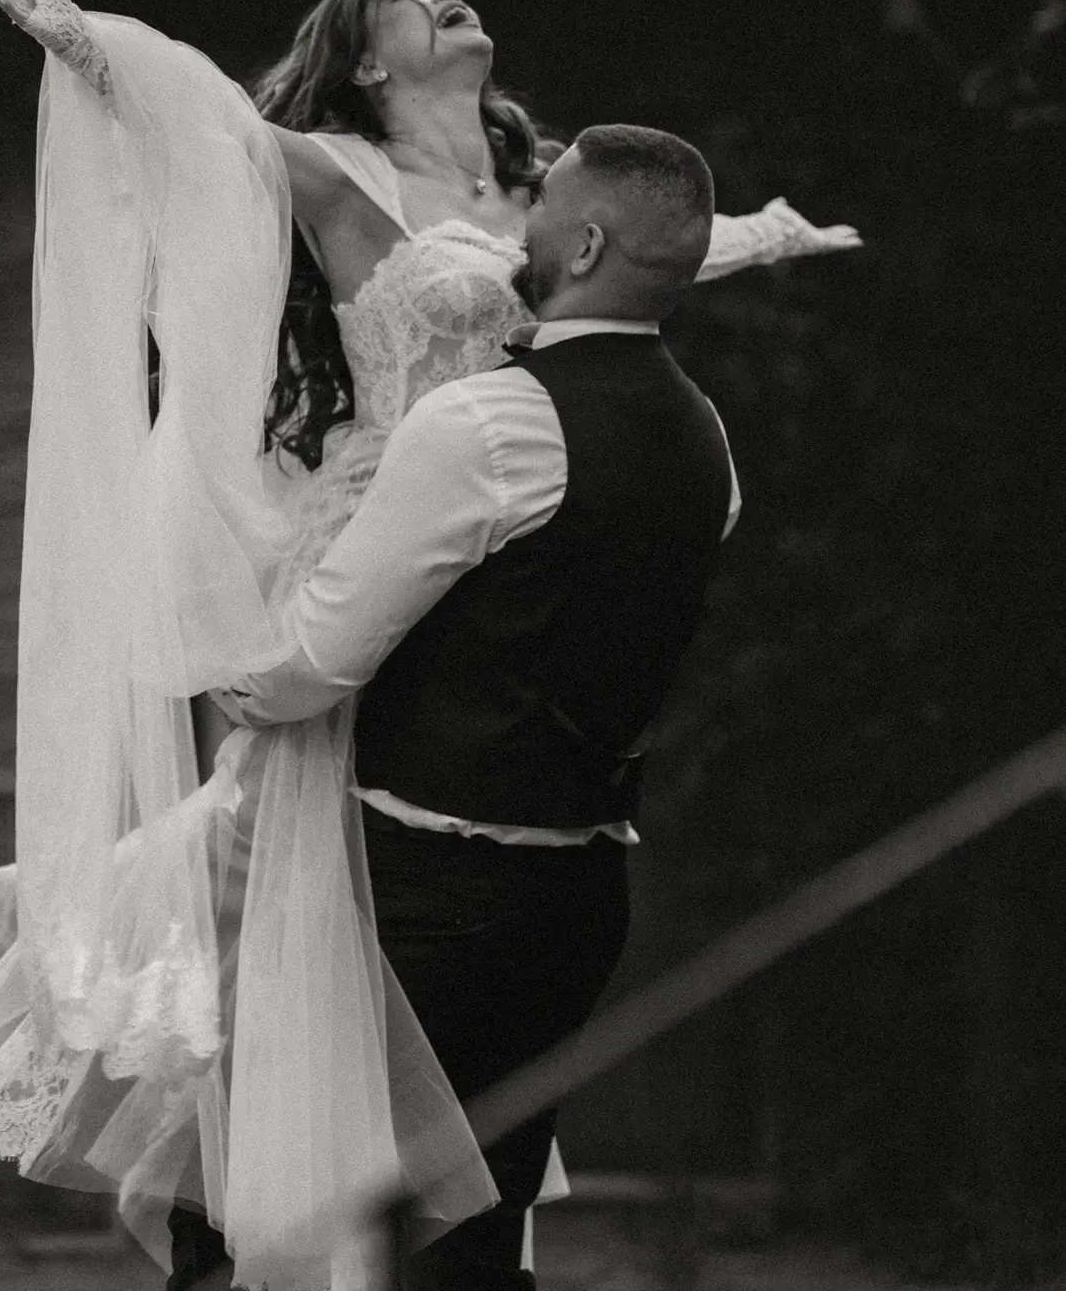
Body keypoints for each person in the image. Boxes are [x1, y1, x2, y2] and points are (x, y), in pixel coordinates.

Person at [0, 0, 856, 1287]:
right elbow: (210, 128)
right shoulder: (341, 173)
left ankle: (86, 972)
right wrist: (100, 45)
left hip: (504, 535)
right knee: (284, 858)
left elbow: (648, 248)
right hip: (383, 519)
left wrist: (767, 232)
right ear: (362, 59)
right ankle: (77, 974)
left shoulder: (540, 192)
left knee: (310, 882)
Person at [186, 122, 740, 1291]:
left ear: (585, 246)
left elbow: (315, 657)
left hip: (432, 897)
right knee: (479, 1231)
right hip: (582, 894)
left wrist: (211, 660)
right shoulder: (708, 441)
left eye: (545, 207)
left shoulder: (489, 425)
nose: (518, 224)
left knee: (331, 1227)